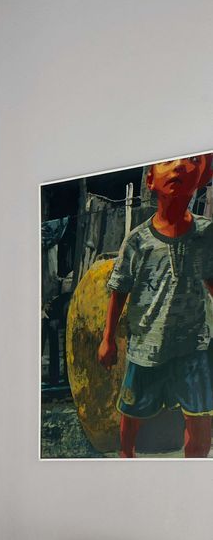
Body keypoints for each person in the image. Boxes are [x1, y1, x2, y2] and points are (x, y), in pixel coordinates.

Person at [98, 154, 213, 458]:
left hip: (194, 346)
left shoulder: (207, 234)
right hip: (146, 346)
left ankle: (195, 473)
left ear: (203, 177)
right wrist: (108, 339)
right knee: (131, 415)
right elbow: (119, 290)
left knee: (200, 418)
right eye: (167, 161)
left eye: (191, 159)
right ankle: (126, 458)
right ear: (150, 180)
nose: (178, 166)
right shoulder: (137, 241)